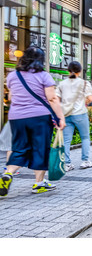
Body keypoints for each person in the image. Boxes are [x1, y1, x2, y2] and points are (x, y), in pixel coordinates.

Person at [0, 47, 65, 197]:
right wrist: (60, 117)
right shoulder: (44, 76)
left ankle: (8, 174)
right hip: (39, 117)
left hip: (17, 118)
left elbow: (10, 97)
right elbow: (52, 98)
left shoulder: (12, 76)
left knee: (19, 148)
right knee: (40, 148)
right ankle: (39, 183)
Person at [57, 61, 92, 171]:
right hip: (80, 114)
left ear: (68, 70)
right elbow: (90, 98)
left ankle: (67, 164)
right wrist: (84, 102)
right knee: (85, 137)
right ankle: (85, 161)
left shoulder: (62, 84)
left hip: (66, 114)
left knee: (66, 140)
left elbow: (56, 99)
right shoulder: (84, 83)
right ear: (80, 71)